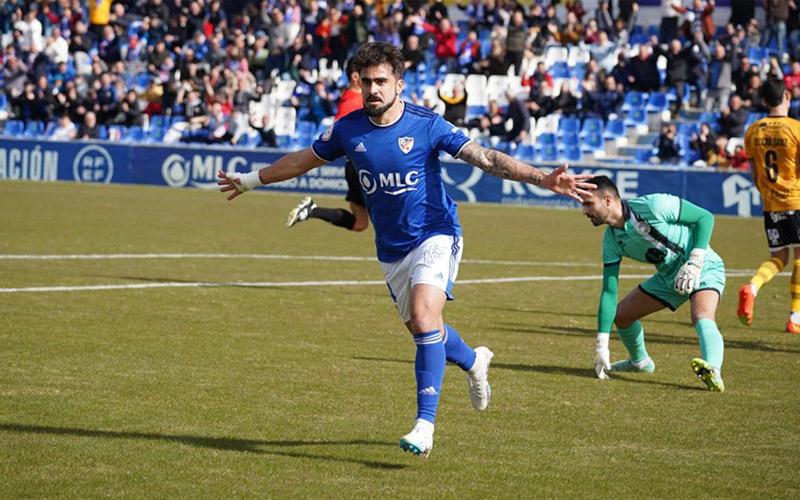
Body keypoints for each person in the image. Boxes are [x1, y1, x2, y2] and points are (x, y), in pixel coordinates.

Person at [218, 42, 594, 458]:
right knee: (423, 329)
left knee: (423, 314)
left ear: (399, 84)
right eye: (366, 82)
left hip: (436, 232)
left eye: (382, 81)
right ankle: (473, 361)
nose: (373, 90)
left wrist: (544, 180)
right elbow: (302, 161)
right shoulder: (348, 129)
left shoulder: (427, 124)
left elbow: (486, 158)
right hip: (392, 249)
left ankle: (424, 426)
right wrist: (251, 179)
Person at [581, 176, 727, 392]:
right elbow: (609, 292)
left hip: (703, 266)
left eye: (588, 203)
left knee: (701, 314)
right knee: (622, 315)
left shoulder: (654, 205)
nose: (584, 211)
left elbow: (704, 218)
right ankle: (640, 363)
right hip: (668, 277)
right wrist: (602, 343)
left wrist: (695, 261)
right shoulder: (611, 240)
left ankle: (713, 370)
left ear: (608, 200)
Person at [739, 78, 800, 333]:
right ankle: (795, 318)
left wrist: (767, 193)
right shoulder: (796, 129)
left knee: (778, 257)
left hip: (770, 204)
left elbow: (753, 171)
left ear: (764, 101)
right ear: (787, 96)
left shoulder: (753, 130)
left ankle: (752, 287)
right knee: (799, 258)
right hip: (796, 200)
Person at [286, 59, 370, 233]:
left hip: (355, 166)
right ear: (355, 77)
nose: (371, 80)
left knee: (360, 223)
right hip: (362, 168)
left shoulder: (353, 98)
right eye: (366, 75)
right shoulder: (353, 102)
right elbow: (342, 135)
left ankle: (312, 210)